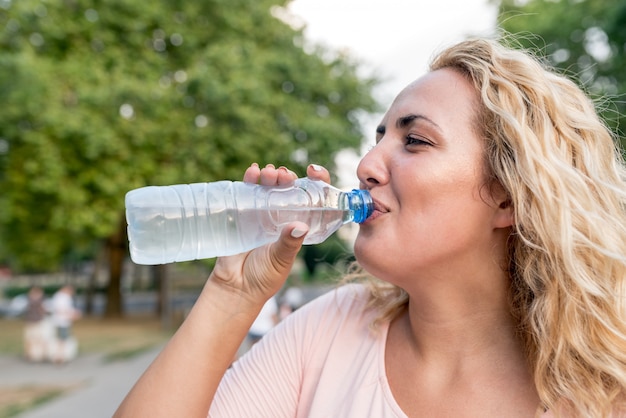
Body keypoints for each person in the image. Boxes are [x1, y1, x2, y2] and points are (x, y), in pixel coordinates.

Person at [114, 36, 626, 417]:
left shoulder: (600, 391)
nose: (367, 163)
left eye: (415, 141)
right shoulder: (330, 331)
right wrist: (233, 292)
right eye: (379, 137)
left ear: (508, 195)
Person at [50, 285, 81, 363]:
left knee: (63, 339)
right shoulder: (61, 297)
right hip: (61, 322)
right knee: (61, 339)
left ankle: (61, 355)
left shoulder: (63, 297)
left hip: (64, 321)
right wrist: (73, 314)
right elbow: (59, 309)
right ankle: (59, 356)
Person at [22, 286, 48, 362]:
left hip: (32, 321)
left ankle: (31, 354)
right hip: (36, 321)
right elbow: (43, 310)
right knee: (36, 338)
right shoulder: (39, 300)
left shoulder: (29, 299)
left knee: (31, 339)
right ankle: (37, 354)